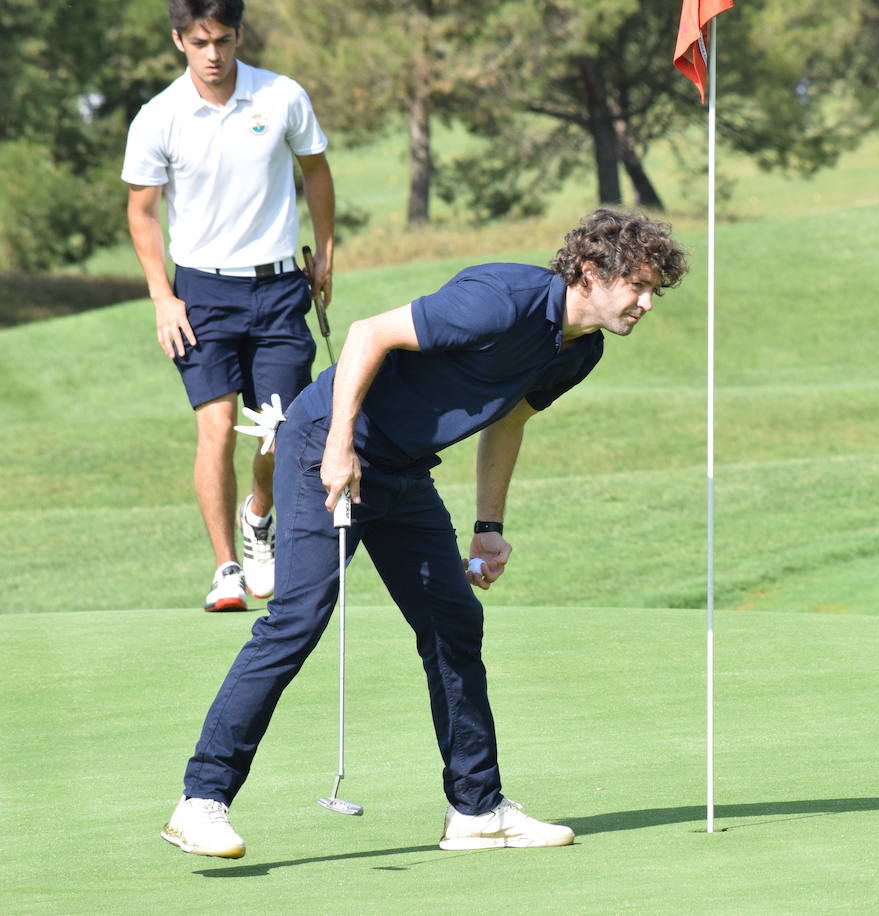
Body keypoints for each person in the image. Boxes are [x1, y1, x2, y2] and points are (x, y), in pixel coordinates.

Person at [160, 209, 688, 858]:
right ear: (589, 271)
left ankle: (477, 809)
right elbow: (366, 335)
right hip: (325, 450)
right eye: (636, 285)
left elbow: (509, 422)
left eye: (653, 291)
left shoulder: (580, 350)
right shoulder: (503, 300)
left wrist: (488, 527)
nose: (645, 303)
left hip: (403, 471)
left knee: (453, 624)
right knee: (296, 621)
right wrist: (336, 445)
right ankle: (201, 802)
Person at [123, 0, 335, 612]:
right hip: (201, 294)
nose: (212, 54)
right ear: (178, 41)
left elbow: (316, 172)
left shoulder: (281, 97)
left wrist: (325, 253)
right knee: (215, 427)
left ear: (239, 35)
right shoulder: (158, 117)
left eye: (221, 39)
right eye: (198, 42)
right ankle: (225, 570)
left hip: (276, 290)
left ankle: (259, 514)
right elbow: (142, 212)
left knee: (281, 434)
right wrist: (163, 296)